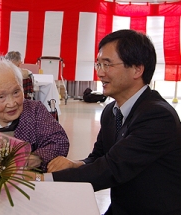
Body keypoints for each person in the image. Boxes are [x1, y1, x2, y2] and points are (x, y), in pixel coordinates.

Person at [26, 29, 181, 214]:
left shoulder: (157, 116)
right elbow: (99, 157)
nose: (100, 73)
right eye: (98, 64)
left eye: (107, 65)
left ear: (137, 69)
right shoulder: (111, 111)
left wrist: (41, 180)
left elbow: (112, 168)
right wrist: (75, 164)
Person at [0, 59, 69, 172]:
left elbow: (59, 141)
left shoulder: (35, 110)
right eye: (1, 97)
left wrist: (36, 158)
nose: (12, 103)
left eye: (16, 92)